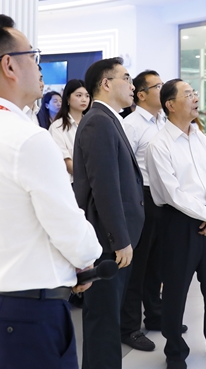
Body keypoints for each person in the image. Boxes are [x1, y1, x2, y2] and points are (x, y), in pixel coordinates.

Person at [0, 14, 102, 369]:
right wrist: (87, 259)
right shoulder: (28, 138)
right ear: (9, 66)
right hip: (27, 316)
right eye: (33, 56)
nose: (38, 65)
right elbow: (68, 227)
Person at [146, 79, 206, 369]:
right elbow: (172, 193)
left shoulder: (200, 137)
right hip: (178, 223)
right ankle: (175, 351)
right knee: (175, 291)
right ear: (170, 104)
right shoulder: (159, 145)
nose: (195, 98)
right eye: (188, 94)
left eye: (194, 93)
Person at [73, 57, 145, 369]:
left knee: (107, 320)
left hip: (114, 239)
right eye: (126, 78)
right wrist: (119, 239)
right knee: (103, 323)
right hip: (107, 242)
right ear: (106, 83)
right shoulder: (98, 121)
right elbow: (105, 188)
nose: (132, 85)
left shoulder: (109, 119)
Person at [120, 70, 167, 351]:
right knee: (137, 267)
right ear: (141, 94)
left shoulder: (163, 120)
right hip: (142, 197)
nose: (164, 88)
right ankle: (129, 327)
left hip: (164, 197)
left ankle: (155, 315)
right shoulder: (132, 125)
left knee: (156, 264)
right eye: (158, 86)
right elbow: (125, 169)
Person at [49, 79, 90, 185]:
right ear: (67, 99)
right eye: (79, 95)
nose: (84, 99)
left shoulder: (91, 124)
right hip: (71, 184)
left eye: (87, 96)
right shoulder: (57, 127)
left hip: (93, 184)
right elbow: (66, 162)